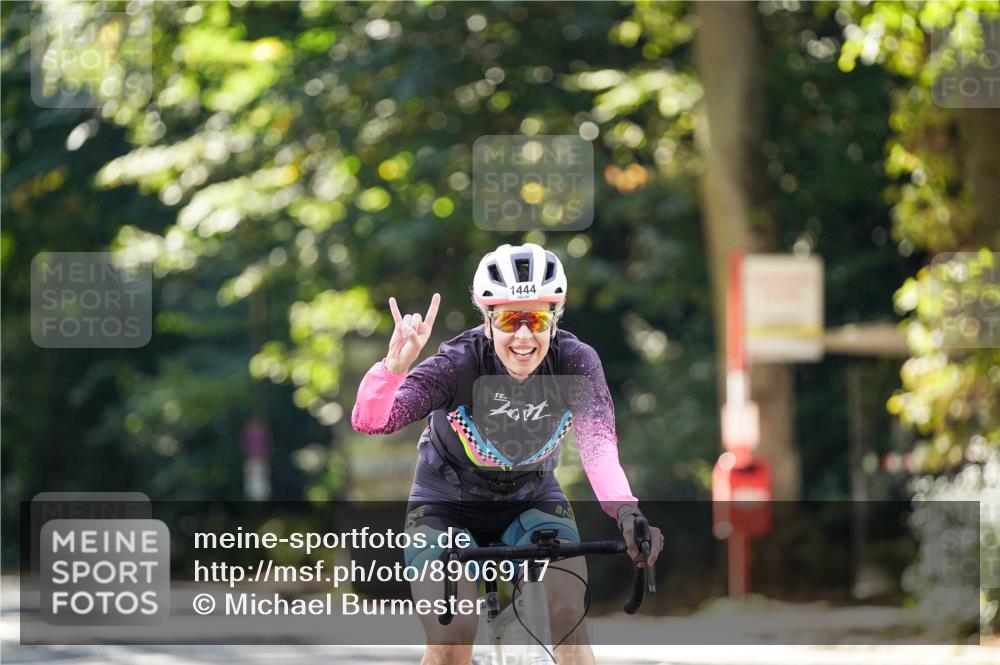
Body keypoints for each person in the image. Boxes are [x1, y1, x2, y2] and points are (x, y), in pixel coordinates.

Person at [352, 243, 664, 665]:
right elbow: (373, 422)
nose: (522, 335)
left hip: (533, 502)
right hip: (445, 506)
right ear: (487, 321)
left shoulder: (575, 362)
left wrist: (627, 513)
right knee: (452, 637)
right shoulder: (456, 365)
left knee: (569, 617)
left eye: (535, 319)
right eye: (508, 319)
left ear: (554, 321)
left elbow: (599, 448)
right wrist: (393, 366)